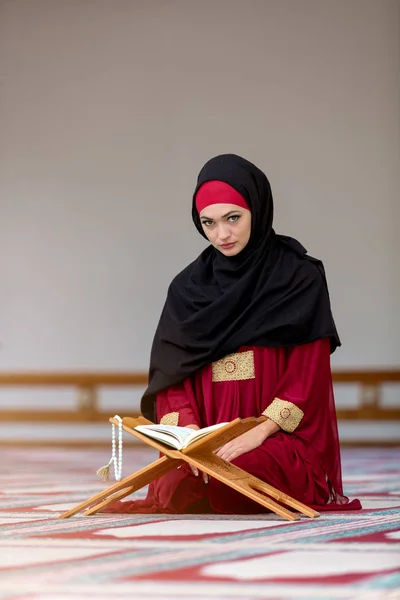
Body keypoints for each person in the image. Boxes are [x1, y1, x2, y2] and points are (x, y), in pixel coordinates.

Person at [106, 153, 361, 514]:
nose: (221, 234)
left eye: (233, 218)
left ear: (256, 208)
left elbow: (308, 375)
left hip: (275, 435)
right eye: (208, 223)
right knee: (180, 487)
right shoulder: (186, 288)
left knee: (240, 478)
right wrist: (191, 437)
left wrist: (258, 432)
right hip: (205, 435)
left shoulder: (298, 278)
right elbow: (171, 374)